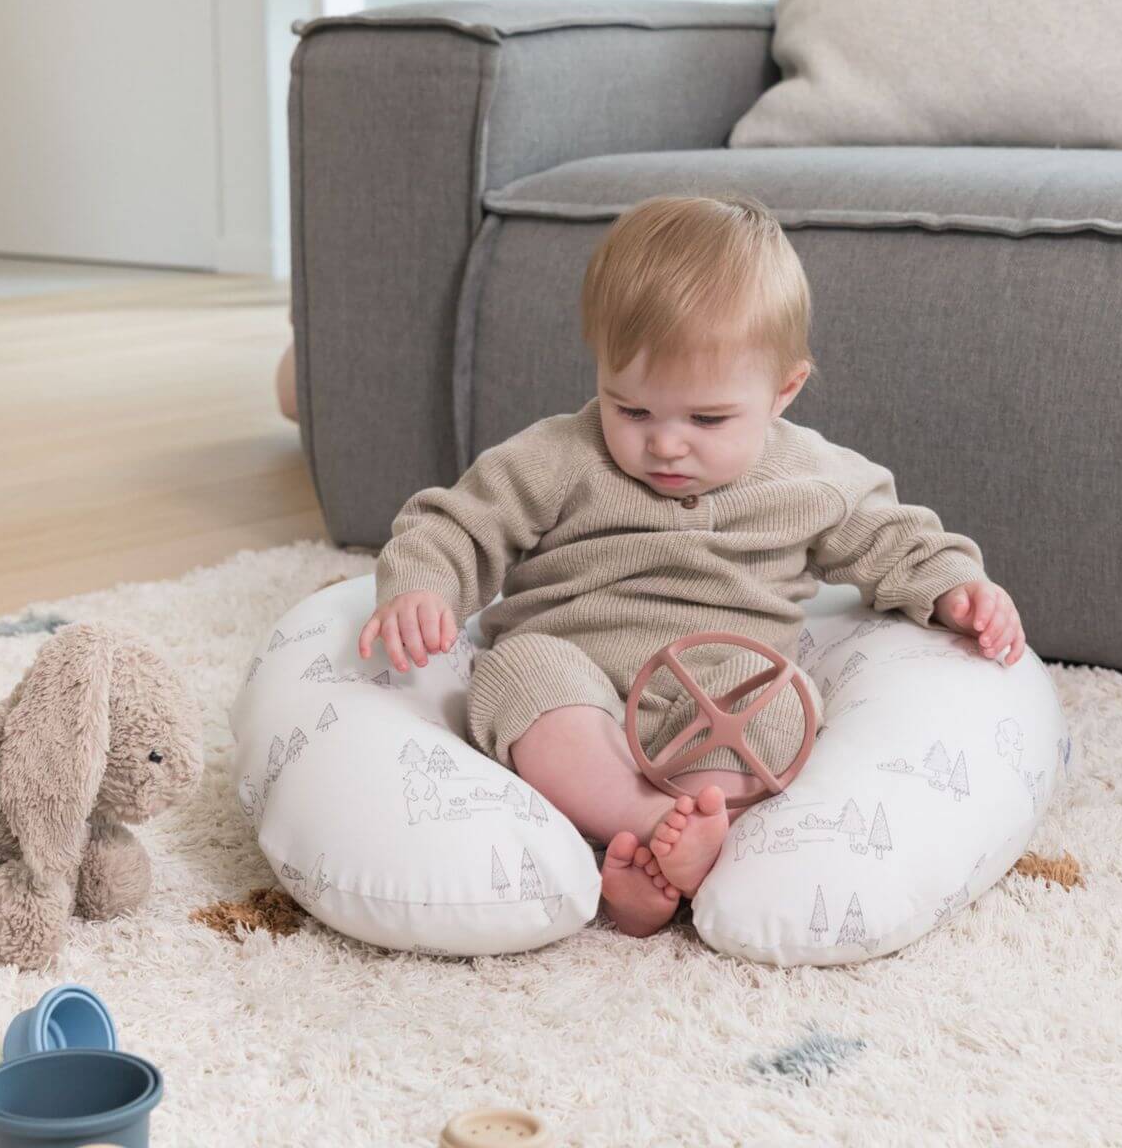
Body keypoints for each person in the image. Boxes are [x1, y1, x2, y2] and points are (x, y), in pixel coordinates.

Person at [357, 195, 1026, 938]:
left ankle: (673, 853)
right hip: (579, 686)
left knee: (783, 697)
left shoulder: (814, 478)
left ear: (783, 391)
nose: (666, 444)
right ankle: (644, 823)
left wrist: (956, 589)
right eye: (631, 410)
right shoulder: (558, 457)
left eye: (708, 419)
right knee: (517, 671)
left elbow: (896, 539)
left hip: (719, 701)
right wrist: (422, 585)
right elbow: (458, 521)